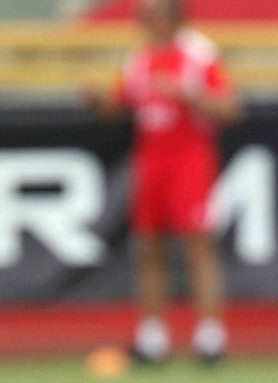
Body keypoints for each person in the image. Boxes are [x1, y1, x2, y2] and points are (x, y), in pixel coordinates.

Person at [81, 0, 241, 363]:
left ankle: (210, 339)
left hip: (190, 158)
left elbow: (230, 107)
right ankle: (152, 339)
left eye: (155, 16)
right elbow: (118, 105)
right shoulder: (139, 58)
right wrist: (95, 100)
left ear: (174, 18)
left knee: (198, 245)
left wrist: (188, 94)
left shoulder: (199, 55)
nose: (149, 24)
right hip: (152, 158)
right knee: (148, 245)